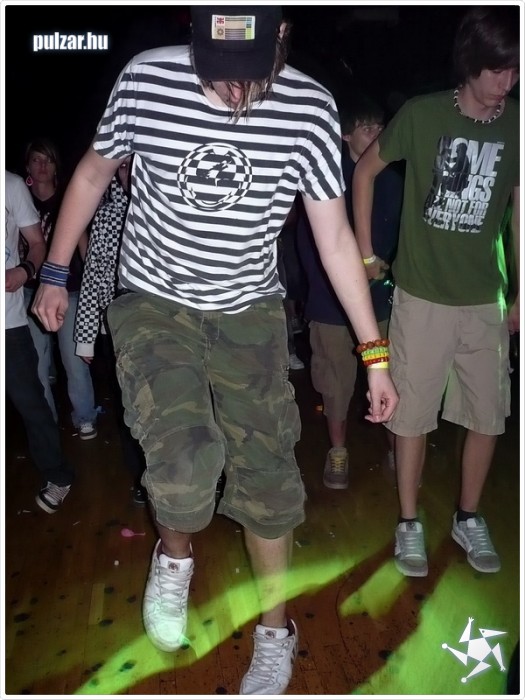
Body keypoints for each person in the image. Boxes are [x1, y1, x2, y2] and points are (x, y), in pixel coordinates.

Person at [32, 7, 398, 694]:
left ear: (280, 36)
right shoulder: (147, 78)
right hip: (154, 299)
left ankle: (274, 632)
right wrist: (55, 270)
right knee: (183, 464)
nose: (233, 92)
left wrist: (374, 354)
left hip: (248, 309)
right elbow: (91, 174)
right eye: (219, 73)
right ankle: (173, 561)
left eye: (249, 75)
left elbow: (334, 239)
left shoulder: (310, 108)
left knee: (269, 479)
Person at [352, 6, 519, 578]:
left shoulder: (517, 124)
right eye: (498, 69)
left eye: (516, 69)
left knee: (489, 416)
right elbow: (364, 172)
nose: (507, 82)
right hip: (421, 297)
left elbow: (520, 208)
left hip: (484, 298)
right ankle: (408, 522)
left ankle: (468, 516)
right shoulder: (422, 115)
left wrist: (521, 292)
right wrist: (366, 254)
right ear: (471, 64)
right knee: (411, 418)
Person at [298, 94, 403, 489]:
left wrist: (387, 269)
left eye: (380, 126)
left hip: (381, 301)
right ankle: (338, 450)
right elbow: (310, 245)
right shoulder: (326, 178)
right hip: (330, 305)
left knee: (391, 375)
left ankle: (397, 448)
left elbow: (400, 238)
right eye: (366, 128)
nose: (376, 133)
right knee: (335, 382)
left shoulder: (392, 180)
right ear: (345, 135)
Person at [74, 157, 148, 505]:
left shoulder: (167, 208)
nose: (128, 173)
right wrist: (86, 337)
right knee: (130, 406)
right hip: (117, 326)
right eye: (122, 166)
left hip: (170, 321)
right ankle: (142, 478)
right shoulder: (106, 214)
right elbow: (92, 275)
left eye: (135, 164)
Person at [5, 171, 74, 513]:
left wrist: (25, 271)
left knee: (30, 402)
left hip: (8, 322)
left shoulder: (11, 185)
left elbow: (37, 243)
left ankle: (58, 475)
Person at [23, 138, 98, 438]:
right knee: (37, 362)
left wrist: (95, 291)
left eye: (48, 160)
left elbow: (85, 249)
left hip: (70, 290)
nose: (42, 166)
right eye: (36, 160)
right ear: (27, 167)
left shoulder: (68, 200)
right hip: (28, 292)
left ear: (56, 166)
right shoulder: (17, 200)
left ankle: (85, 416)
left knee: (73, 359)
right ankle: (47, 421)